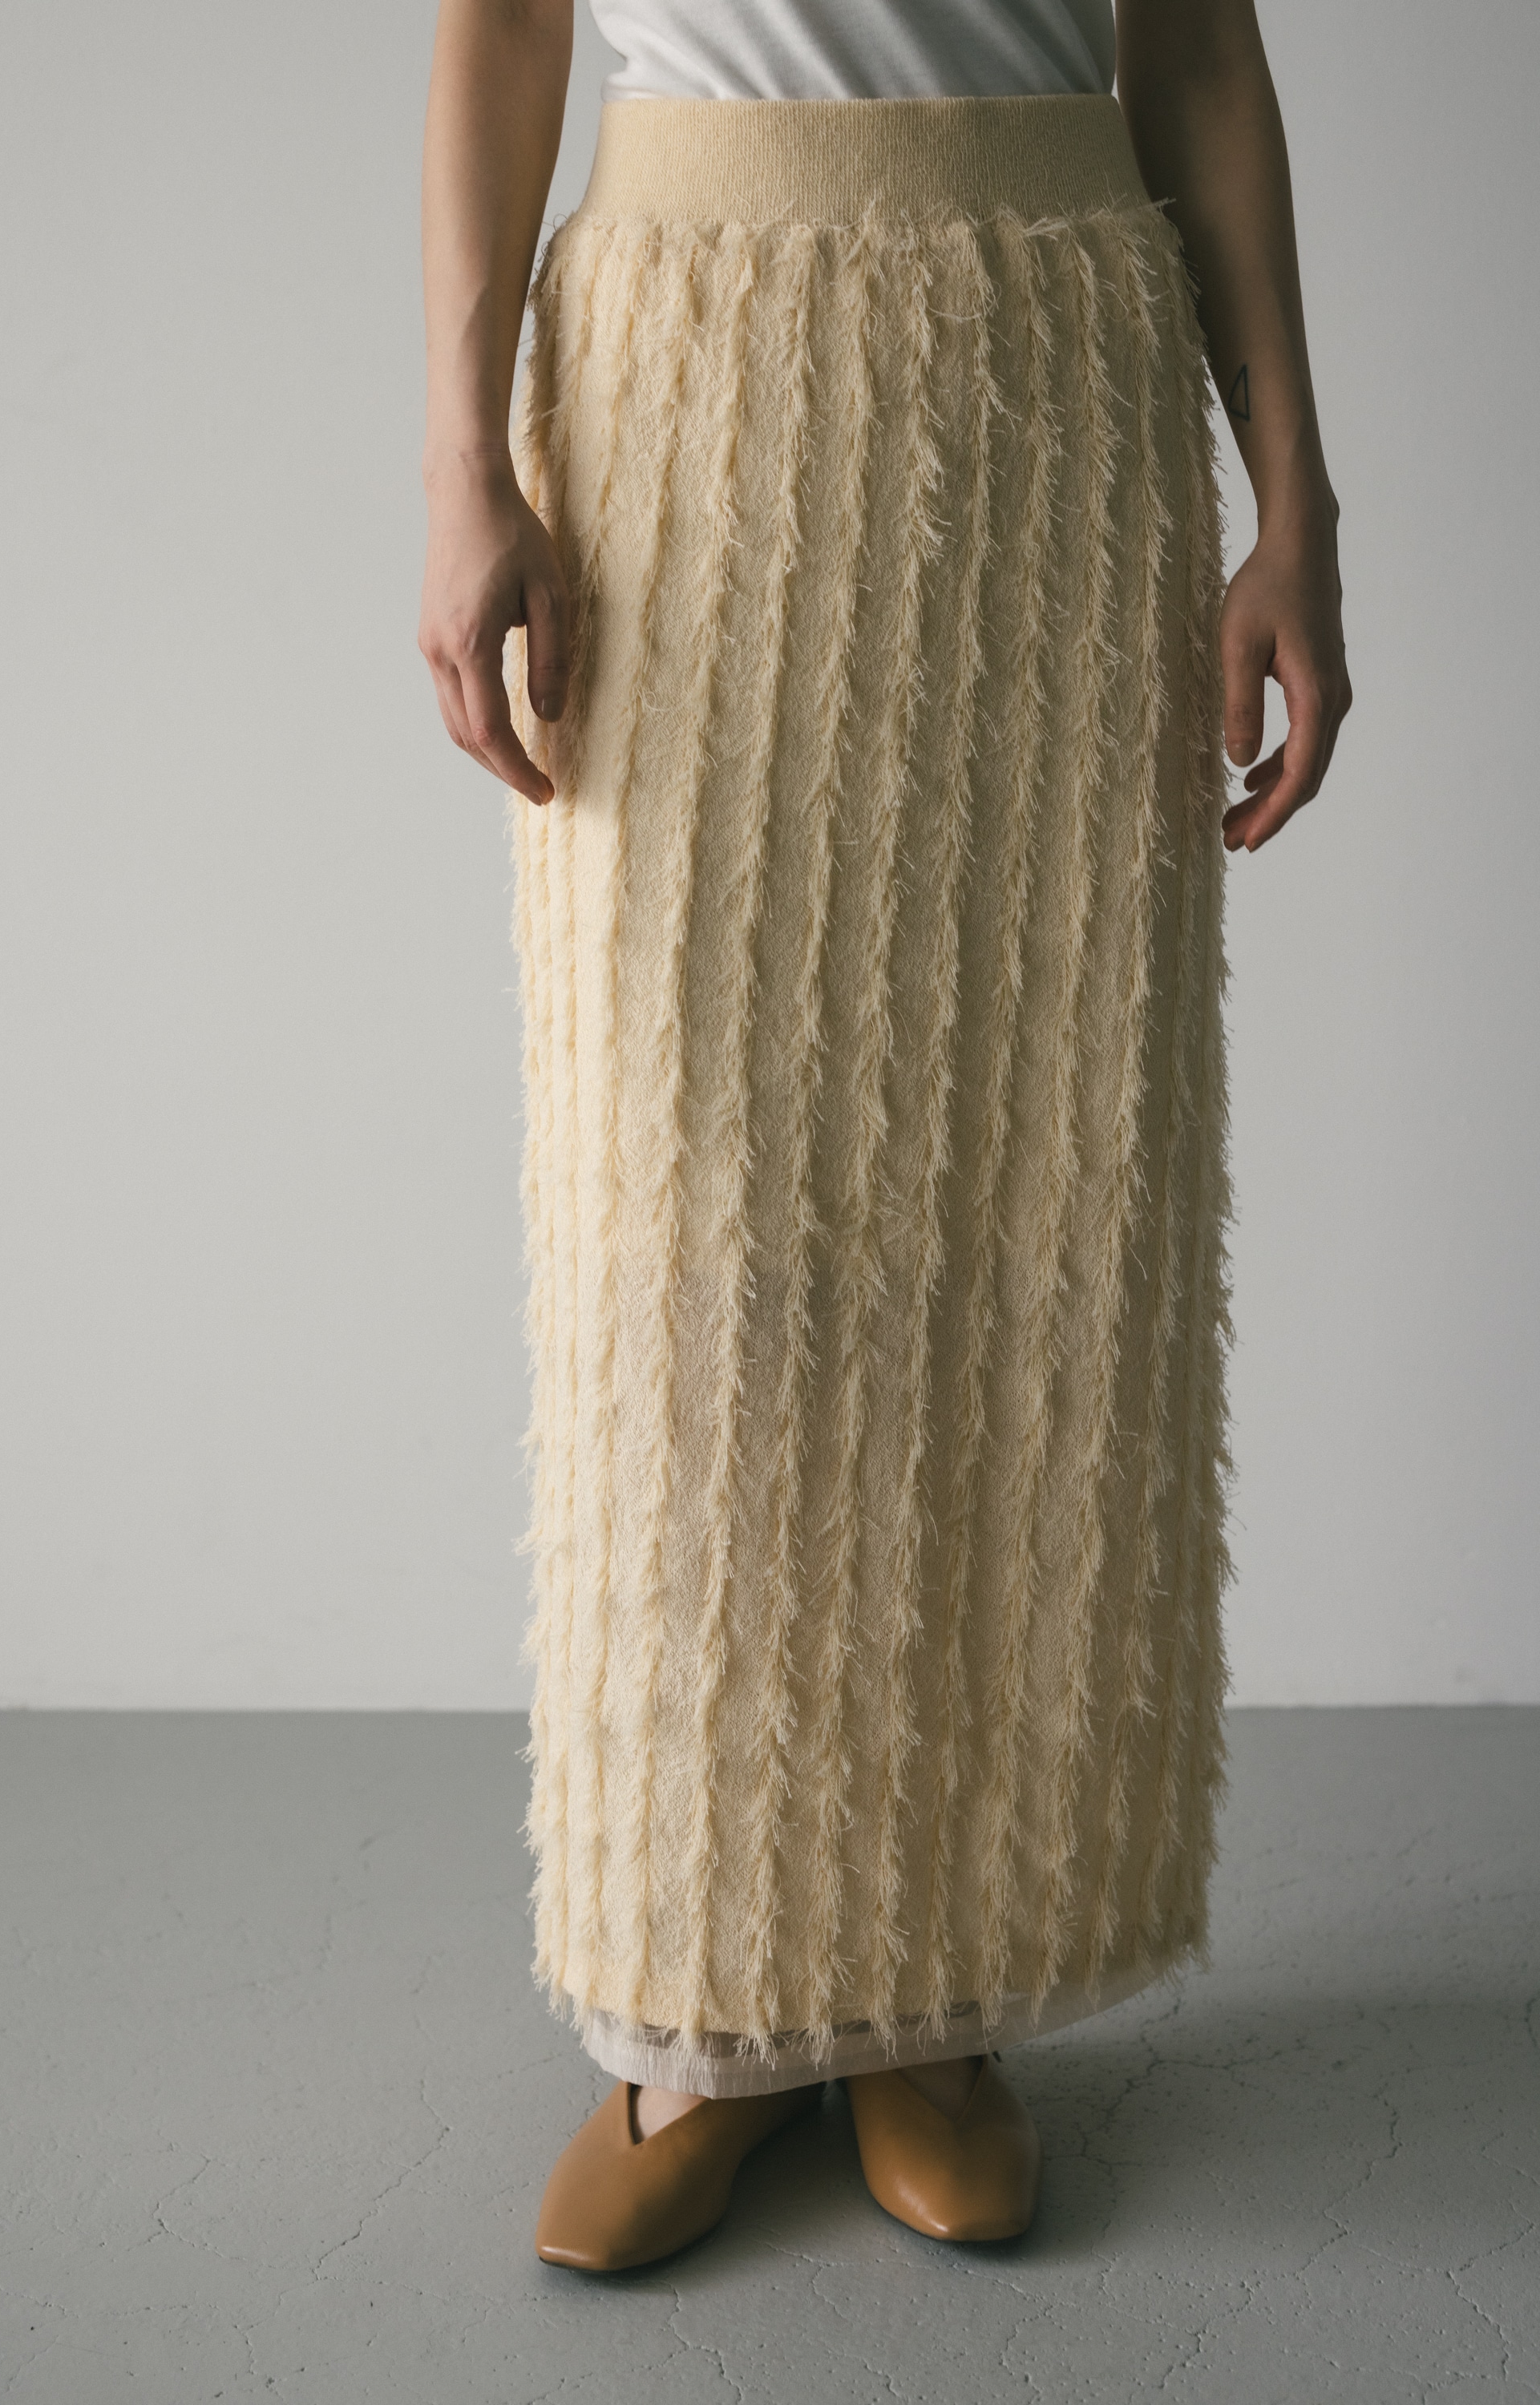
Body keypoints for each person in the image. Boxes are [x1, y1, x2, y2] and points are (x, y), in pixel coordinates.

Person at [418, 0, 1350, 2271]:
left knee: (1023, 1187)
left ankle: (939, 1995)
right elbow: (504, 20)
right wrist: (460, 462)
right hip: (689, 390)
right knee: (688, 1233)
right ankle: (693, 2009)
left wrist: (1296, 503)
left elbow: (1198, 50)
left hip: (1053, 402)